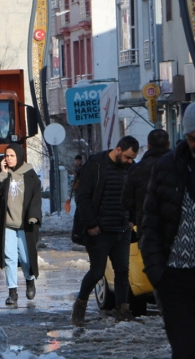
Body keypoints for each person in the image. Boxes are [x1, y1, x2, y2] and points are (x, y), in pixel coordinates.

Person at [140, 106, 195, 358]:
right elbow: (150, 223)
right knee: (185, 349)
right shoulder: (167, 167)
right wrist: (157, 273)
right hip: (176, 278)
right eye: (194, 138)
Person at [70, 136, 139, 327]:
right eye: (127, 157)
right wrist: (91, 224)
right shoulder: (96, 166)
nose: (130, 161)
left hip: (122, 228)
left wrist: (132, 219)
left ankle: (123, 310)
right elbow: (83, 197)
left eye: (132, 158)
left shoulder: (129, 169)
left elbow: (133, 194)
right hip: (100, 230)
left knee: (122, 271)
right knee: (97, 271)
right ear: (118, 150)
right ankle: (80, 306)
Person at [0, 143, 42, 306]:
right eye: (7, 155)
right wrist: (2, 174)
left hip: (25, 225)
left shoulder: (30, 175)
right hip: (6, 224)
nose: (9, 159)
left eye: (12, 156)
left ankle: (29, 280)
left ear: (19, 156)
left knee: (25, 259)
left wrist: (33, 216)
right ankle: (12, 292)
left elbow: (35, 199)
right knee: (9, 257)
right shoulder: (2, 173)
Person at [122, 129, 170, 239]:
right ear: (168, 144)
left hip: (146, 228)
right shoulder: (182, 166)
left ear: (148, 145)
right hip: (178, 229)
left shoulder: (136, 169)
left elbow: (126, 201)